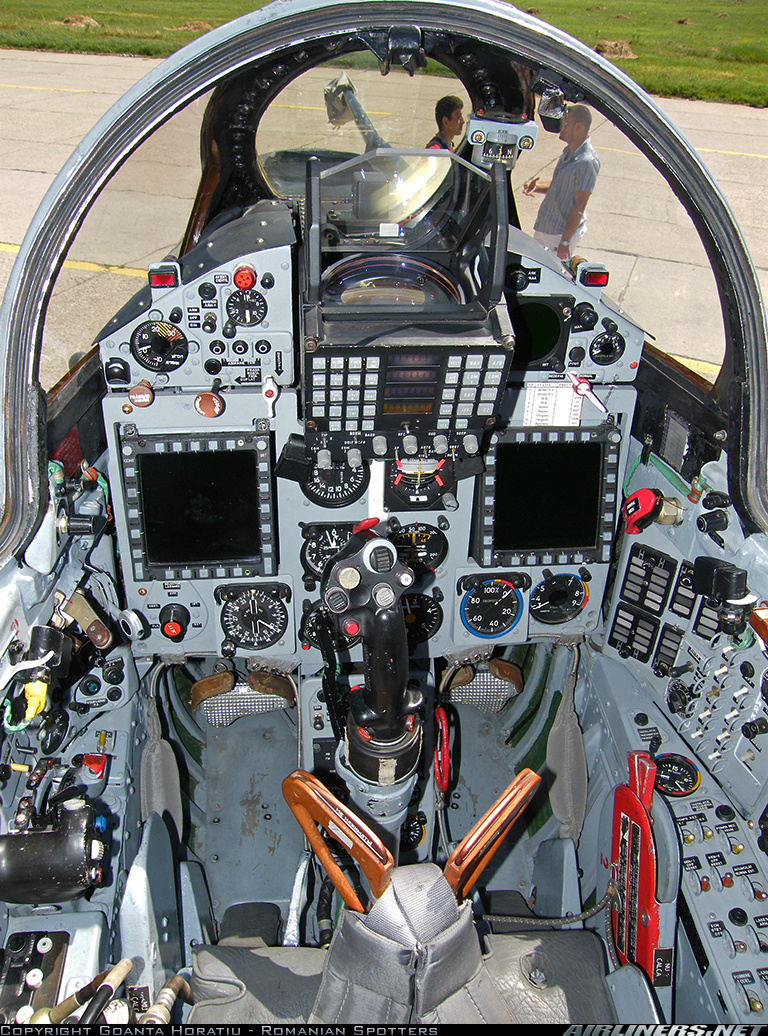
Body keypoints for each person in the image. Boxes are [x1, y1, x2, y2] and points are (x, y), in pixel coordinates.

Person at [523, 104, 600, 262]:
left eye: (564, 123)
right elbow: (561, 186)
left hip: (559, 235)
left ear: (578, 127)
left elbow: (580, 203)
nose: (560, 127)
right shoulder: (568, 153)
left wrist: (565, 241)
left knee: (550, 277)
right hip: (546, 228)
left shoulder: (587, 161)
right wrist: (537, 187)